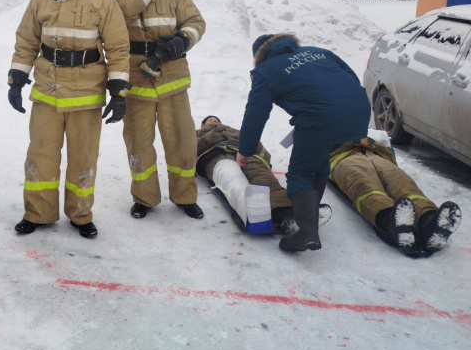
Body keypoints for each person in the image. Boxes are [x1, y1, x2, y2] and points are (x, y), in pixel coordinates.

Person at [7, 0, 130, 239]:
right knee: (41, 154)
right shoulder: (41, 0)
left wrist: (119, 90)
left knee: (83, 157)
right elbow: (26, 41)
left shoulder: (102, 2)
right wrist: (16, 78)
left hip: (86, 94)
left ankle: (80, 214)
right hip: (47, 91)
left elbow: (117, 47)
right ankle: (38, 211)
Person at [238, 33, 370, 252]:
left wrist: (245, 150)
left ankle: (307, 233)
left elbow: (256, 113)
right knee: (317, 158)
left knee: (300, 173)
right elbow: (350, 77)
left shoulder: (265, 71)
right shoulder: (318, 52)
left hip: (321, 119)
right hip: (358, 111)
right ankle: (310, 212)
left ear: (260, 55)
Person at [110, 0, 206, 220]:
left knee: (182, 141)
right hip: (136, 82)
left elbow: (196, 22)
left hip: (172, 81)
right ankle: (145, 197)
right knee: (138, 143)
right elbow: (120, 14)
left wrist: (183, 41)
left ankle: (185, 196)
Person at [329, 133, 461, 257]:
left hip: (377, 156)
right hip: (343, 159)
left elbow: (385, 147)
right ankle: (390, 219)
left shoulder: (359, 128)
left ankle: (428, 221)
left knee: (402, 183)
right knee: (364, 184)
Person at [196, 115, 292, 233]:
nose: (212, 120)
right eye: (209, 120)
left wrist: (262, 159)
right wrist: (210, 138)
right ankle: (251, 211)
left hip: (244, 152)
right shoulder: (198, 133)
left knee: (259, 173)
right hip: (214, 154)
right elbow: (191, 149)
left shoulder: (235, 131)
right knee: (230, 175)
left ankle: (284, 212)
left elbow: (256, 144)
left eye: (215, 119)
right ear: (203, 124)